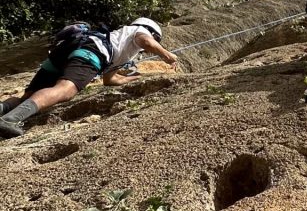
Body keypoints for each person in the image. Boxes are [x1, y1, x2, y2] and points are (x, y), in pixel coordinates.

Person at [0, 17, 177, 139]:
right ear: (152, 32)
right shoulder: (138, 31)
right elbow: (147, 42)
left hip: (68, 50)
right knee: (65, 89)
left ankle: (4, 110)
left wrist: (137, 78)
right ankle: (9, 120)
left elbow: (109, 80)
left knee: (28, 95)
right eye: (157, 39)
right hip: (91, 52)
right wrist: (167, 55)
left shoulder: (119, 44)